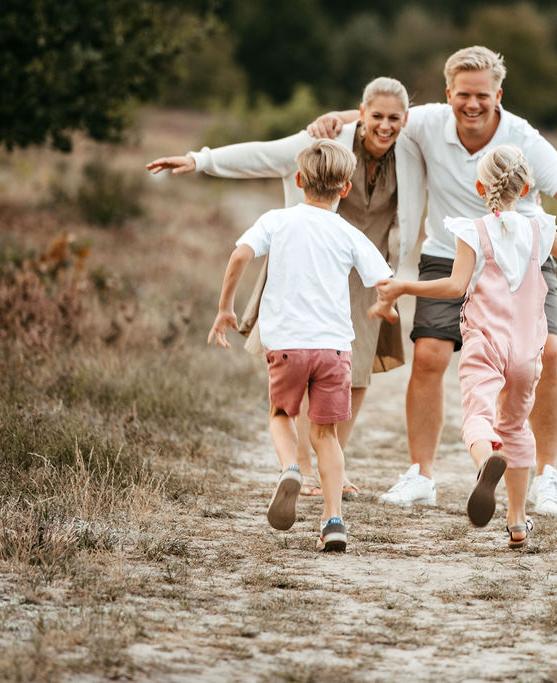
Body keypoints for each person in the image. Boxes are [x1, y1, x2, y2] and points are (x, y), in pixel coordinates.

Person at [308, 46, 557, 515]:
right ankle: (421, 475)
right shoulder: (427, 122)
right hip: (451, 253)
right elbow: (383, 114)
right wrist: (337, 117)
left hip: (522, 254)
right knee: (429, 356)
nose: (472, 104)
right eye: (463, 95)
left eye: (482, 96)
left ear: (498, 94)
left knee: (549, 352)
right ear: (449, 93)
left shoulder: (521, 136)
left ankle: (546, 476)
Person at [373, 145, 557, 548]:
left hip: (485, 344)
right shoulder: (541, 230)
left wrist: (405, 285)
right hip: (528, 350)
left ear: (480, 187)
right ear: (528, 187)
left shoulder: (472, 231)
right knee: (515, 425)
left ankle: (485, 462)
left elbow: (453, 287)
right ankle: (517, 522)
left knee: (478, 416)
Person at [147, 77, 416, 500]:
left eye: (394, 118)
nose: (385, 126)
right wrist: (199, 160)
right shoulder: (325, 144)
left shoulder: (414, 150)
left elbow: (445, 121)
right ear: (360, 115)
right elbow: (261, 154)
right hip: (307, 265)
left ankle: (332, 463)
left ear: (406, 119)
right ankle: (304, 470)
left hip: (368, 270)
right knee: (311, 363)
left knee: (356, 372)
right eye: (375, 116)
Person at [207, 139, 396, 552]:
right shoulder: (349, 232)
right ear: (345, 189)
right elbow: (385, 279)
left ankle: (291, 468)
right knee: (326, 435)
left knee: (281, 413)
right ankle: (333, 521)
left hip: (287, 346)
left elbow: (240, 255)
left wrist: (226, 309)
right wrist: (386, 306)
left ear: (298, 180)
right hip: (334, 349)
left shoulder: (276, 220)